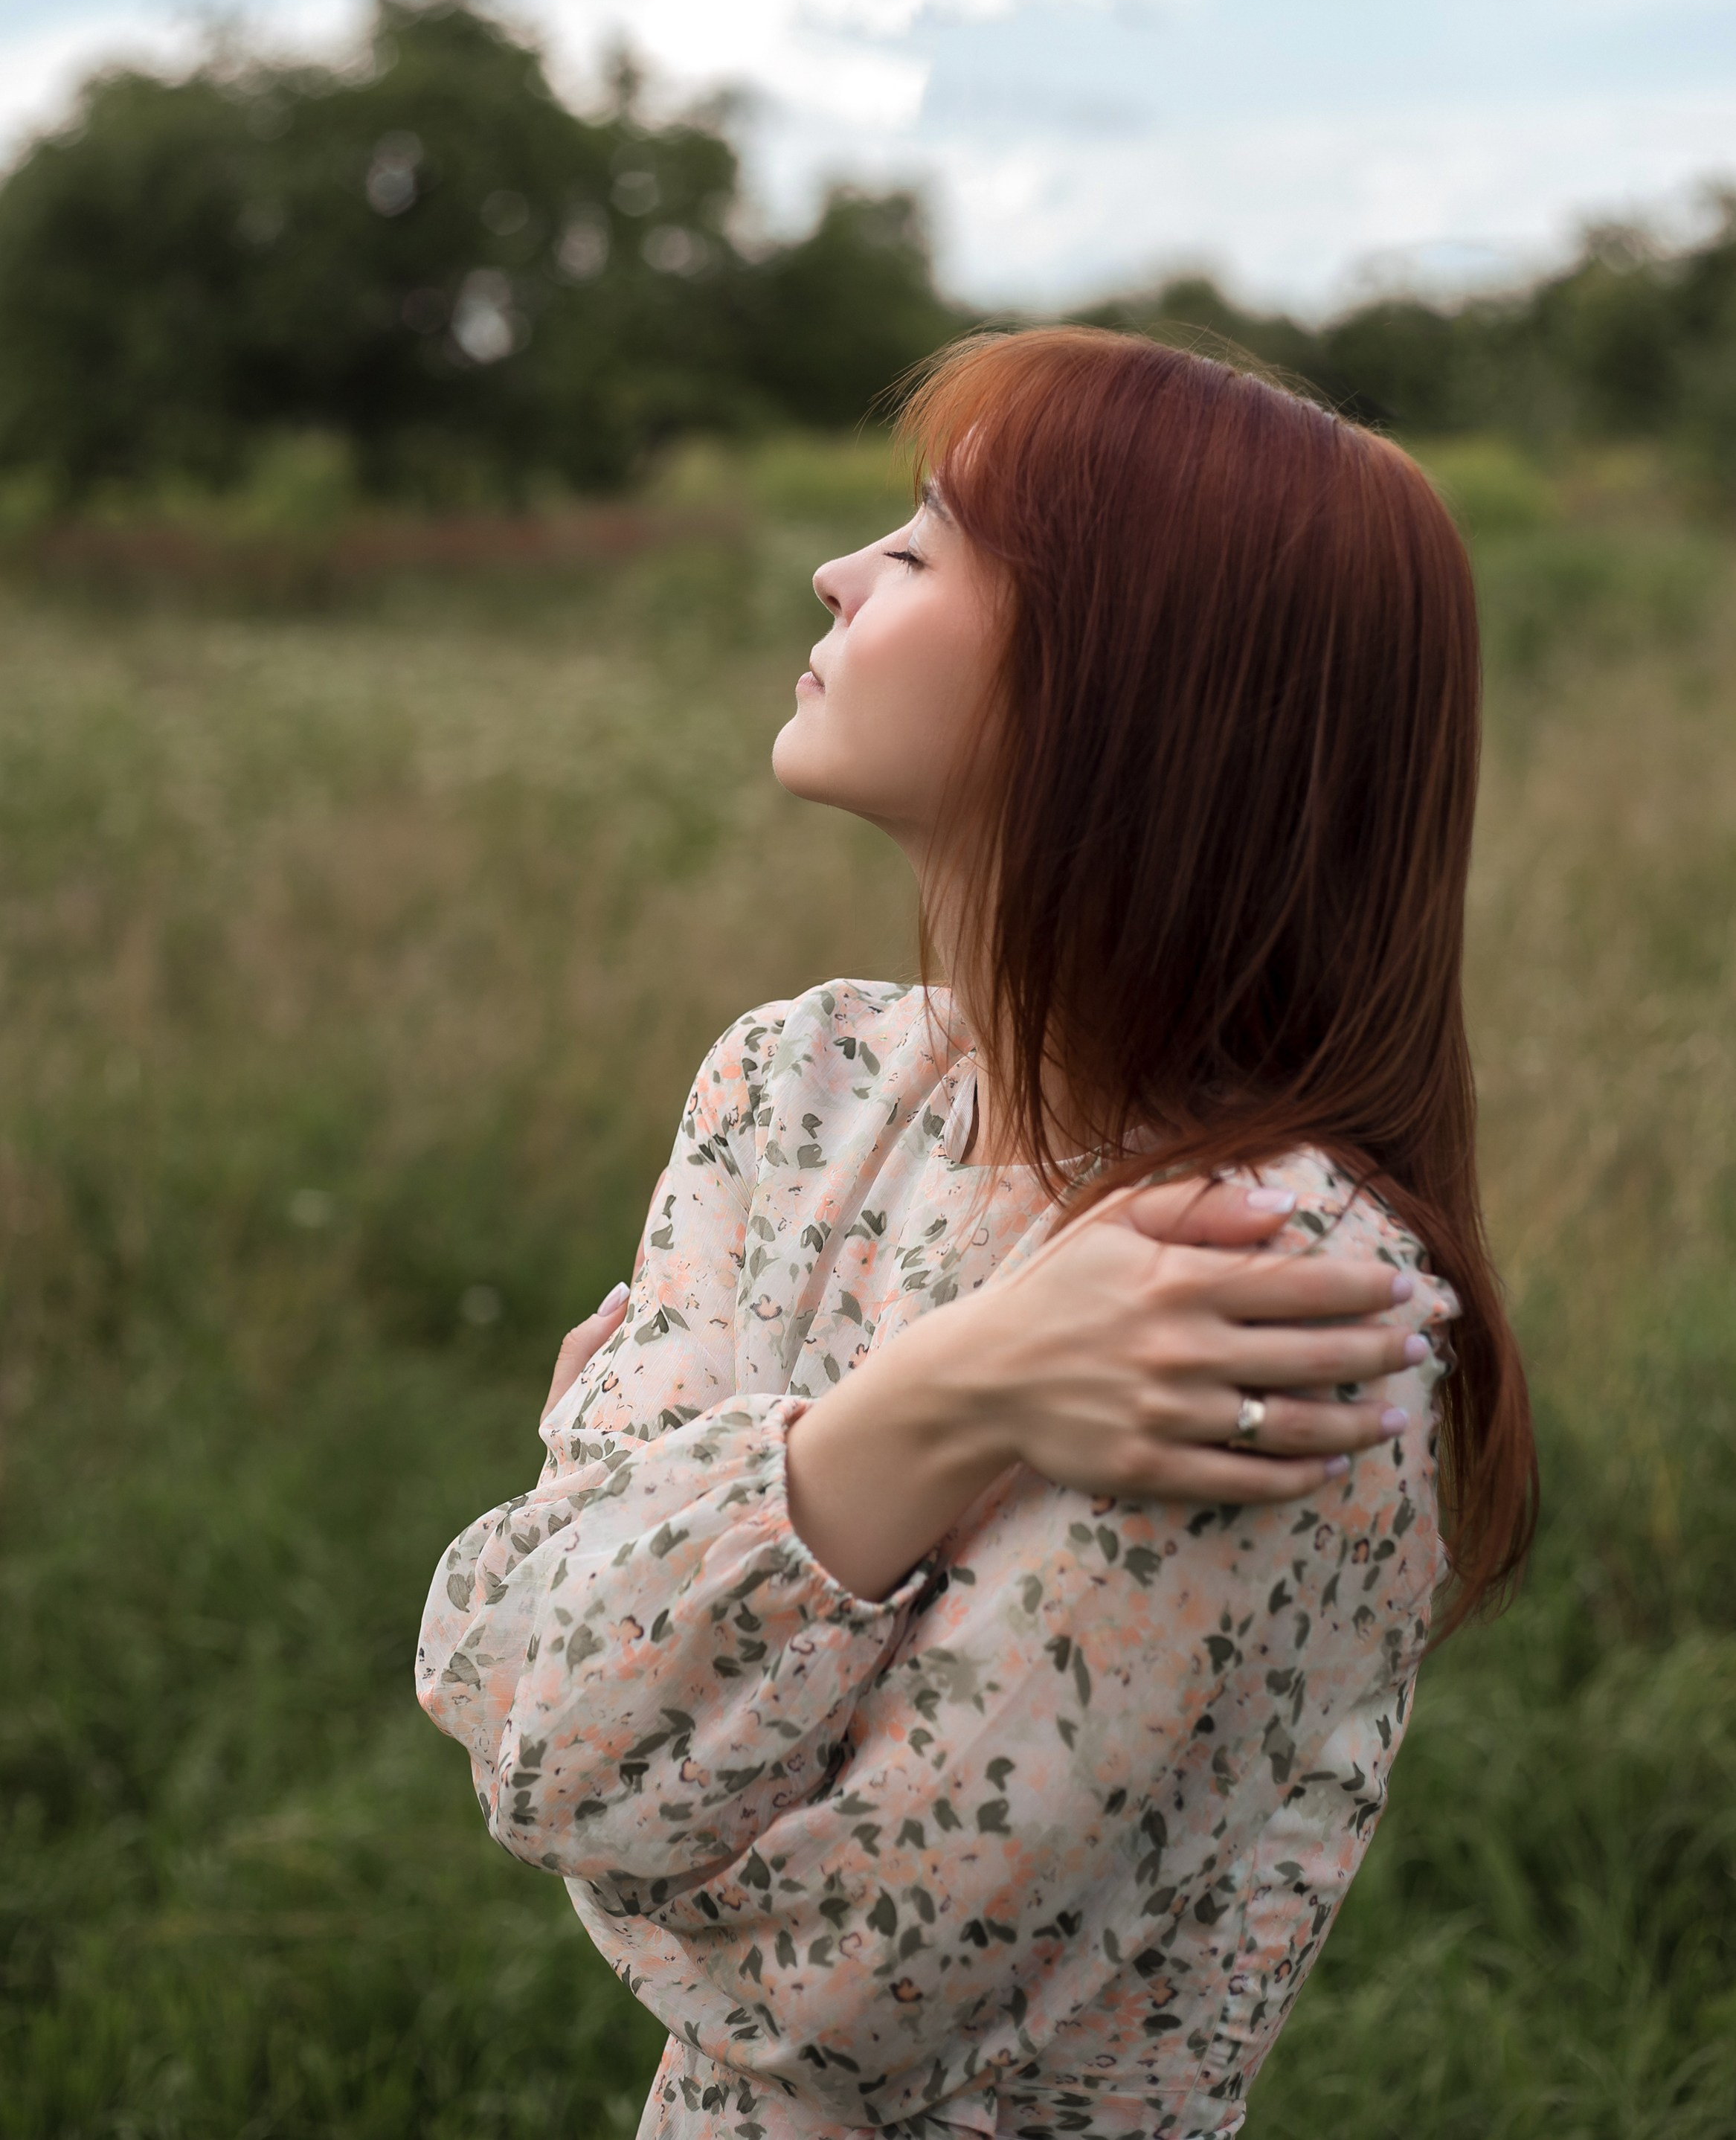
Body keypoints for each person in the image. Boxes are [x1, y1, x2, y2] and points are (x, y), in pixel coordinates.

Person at [417, 328, 1534, 2139]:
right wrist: (943, 1399)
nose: (835, 571)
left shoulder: (1275, 1284)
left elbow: (828, 1988)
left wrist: (614, 1507)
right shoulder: (804, 1078)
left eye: (924, 546)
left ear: (1124, 683)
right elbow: (539, 1715)